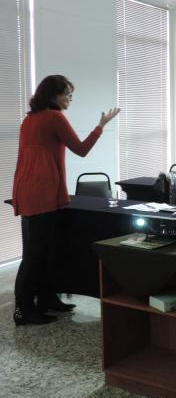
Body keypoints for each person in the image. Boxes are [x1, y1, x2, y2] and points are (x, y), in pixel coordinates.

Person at [12, 75, 119, 325]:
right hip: (42, 194)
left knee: (44, 252)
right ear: (53, 96)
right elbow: (81, 150)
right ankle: (23, 309)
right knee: (36, 255)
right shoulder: (54, 117)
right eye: (67, 94)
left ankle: (48, 299)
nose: (70, 99)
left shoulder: (30, 119)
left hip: (29, 190)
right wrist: (100, 126)